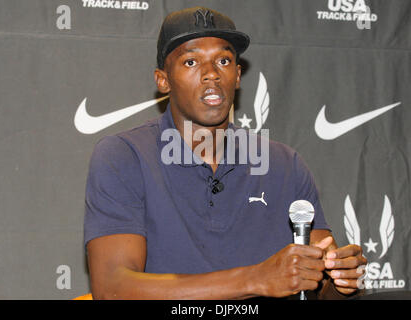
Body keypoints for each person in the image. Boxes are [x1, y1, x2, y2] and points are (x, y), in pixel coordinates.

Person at [83, 6, 366, 300]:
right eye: (191, 61)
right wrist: (256, 279)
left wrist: (341, 282)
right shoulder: (123, 156)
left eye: (224, 60)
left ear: (238, 75)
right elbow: (113, 289)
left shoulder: (284, 164)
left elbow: (320, 288)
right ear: (163, 80)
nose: (211, 74)